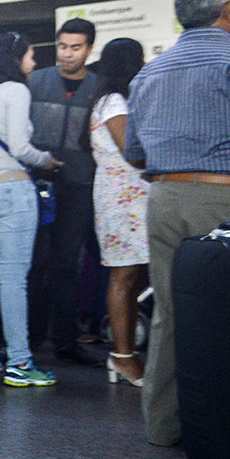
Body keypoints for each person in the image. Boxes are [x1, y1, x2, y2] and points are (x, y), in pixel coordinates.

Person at [125, 0, 230, 447]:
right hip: (223, 196)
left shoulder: (150, 72)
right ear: (227, 10)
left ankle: (165, 427)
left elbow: (134, 153)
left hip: (164, 199)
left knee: (170, 311)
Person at [0, 32, 62, 386]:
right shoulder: (17, 91)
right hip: (11, 189)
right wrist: (47, 161)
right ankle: (20, 363)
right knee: (14, 278)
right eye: (31, 56)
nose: (33, 63)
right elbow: (20, 146)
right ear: (16, 58)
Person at [28, 17, 102, 365]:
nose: (67, 54)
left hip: (78, 187)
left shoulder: (100, 88)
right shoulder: (36, 81)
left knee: (66, 265)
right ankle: (29, 334)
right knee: (32, 262)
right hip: (35, 183)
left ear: (89, 49)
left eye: (75, 47)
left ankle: (65, 340)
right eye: (62, 46)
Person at [82, 38, 149, 388]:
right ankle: (122, 357)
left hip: (129, 197)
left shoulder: (113, 100)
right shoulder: (113, 102)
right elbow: (133, 152)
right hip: (124, 199)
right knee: (124, 276)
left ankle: (126, 354)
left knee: (131, 276)